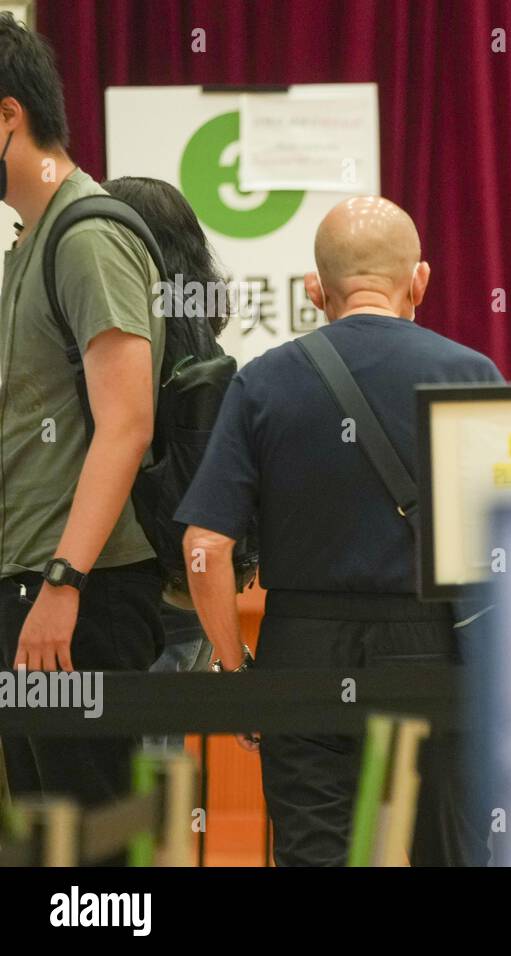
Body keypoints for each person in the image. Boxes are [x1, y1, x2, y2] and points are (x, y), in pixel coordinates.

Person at [176, 196, 503, 866]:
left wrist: (238, 672)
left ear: (315, 290)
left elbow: (205, 546)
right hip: (436, 644)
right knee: (449, 849)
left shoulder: (262, 381)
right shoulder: (472, 374)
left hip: (303, 646)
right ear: (419, 281)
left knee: (315, 852)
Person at [0, 14, 164, 813]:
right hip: (34, 585)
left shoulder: (85, 235)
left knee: (91, 844)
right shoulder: (31, 239)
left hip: (79, 593)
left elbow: (126, 421)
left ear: (8, 117)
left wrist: (62, 584)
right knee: (44, 836)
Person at [102, 175, 233, 751]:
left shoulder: (114, 342)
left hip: (118, 578)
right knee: (156, 771)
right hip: (191, 580)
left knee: (103, 781)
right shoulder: (210, 348)